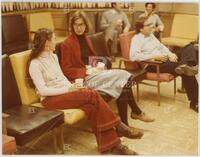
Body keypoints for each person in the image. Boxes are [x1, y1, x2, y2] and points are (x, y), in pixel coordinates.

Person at [27, 28, 139, 155]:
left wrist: (73, 86)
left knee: (92, 106)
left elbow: (61, 77)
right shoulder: (35, 64)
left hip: (64, 93)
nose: (56, 41)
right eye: (53, 39)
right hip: (49, 100)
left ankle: (112, 145)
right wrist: (68, 89)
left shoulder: (53, 56)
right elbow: (43, 90)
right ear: (46, 43)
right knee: (92, 94)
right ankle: (118, 125)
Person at [60, 11, 154, 127]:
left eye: (81, 25)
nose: (79, 28)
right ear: (72, 26)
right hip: (83, 80)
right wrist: (86, 71)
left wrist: (100, 64)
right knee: (124, 76)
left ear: (86, 25)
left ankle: (125, 124)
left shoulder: (86, 39)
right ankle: (135, 113)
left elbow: (89, 59)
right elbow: (66, 70)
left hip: (94, 74)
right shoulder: (66, 44)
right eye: (76, 25)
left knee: (122, 82)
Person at [129, 17, 198, 112]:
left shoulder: (151, 35)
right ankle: (195, 102)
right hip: (153, 64)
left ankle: (185, 64)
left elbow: (161, 46)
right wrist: (155, 56)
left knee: (190, 47)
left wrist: (171, 54)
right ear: (141, 29)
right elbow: (133, 56)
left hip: (165, 58)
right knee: (186, 71)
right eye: (148, 25)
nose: (152, 26)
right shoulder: (136, 39)